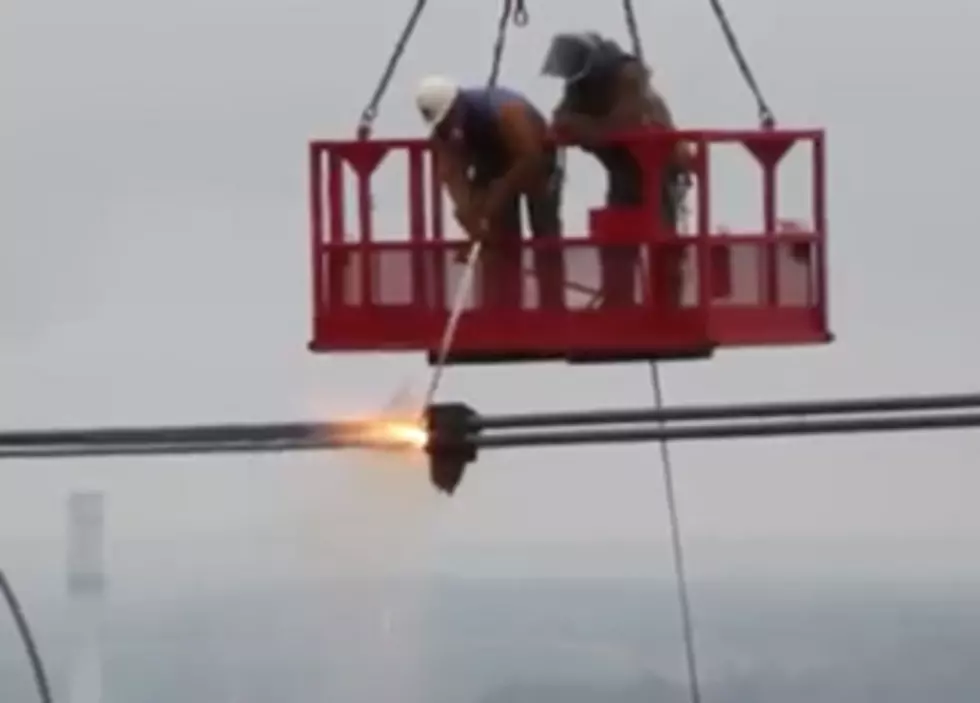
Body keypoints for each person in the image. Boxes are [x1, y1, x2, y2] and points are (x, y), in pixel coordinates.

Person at [541, 32, 692, 306]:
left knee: (662, 236)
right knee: (616, 238)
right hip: (623, 170)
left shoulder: (628, 76)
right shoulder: (580, 85)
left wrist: (581, 127)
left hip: (657, 168)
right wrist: (582, 127)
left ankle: (667, 309)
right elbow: (559, 122)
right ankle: (617, 304)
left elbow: (616, 126)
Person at [414, 75, 565, 310]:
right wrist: (469, 215)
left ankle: (553, 308)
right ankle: (505, 308)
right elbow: (452, 175)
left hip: (537, 156)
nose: (446, 127)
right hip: (493, 160)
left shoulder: (506, 112)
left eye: (447, 120)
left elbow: (530, 157)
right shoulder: (444, 133)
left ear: (456, 106)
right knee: (500, 236)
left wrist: (499, 193)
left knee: (544, 231)